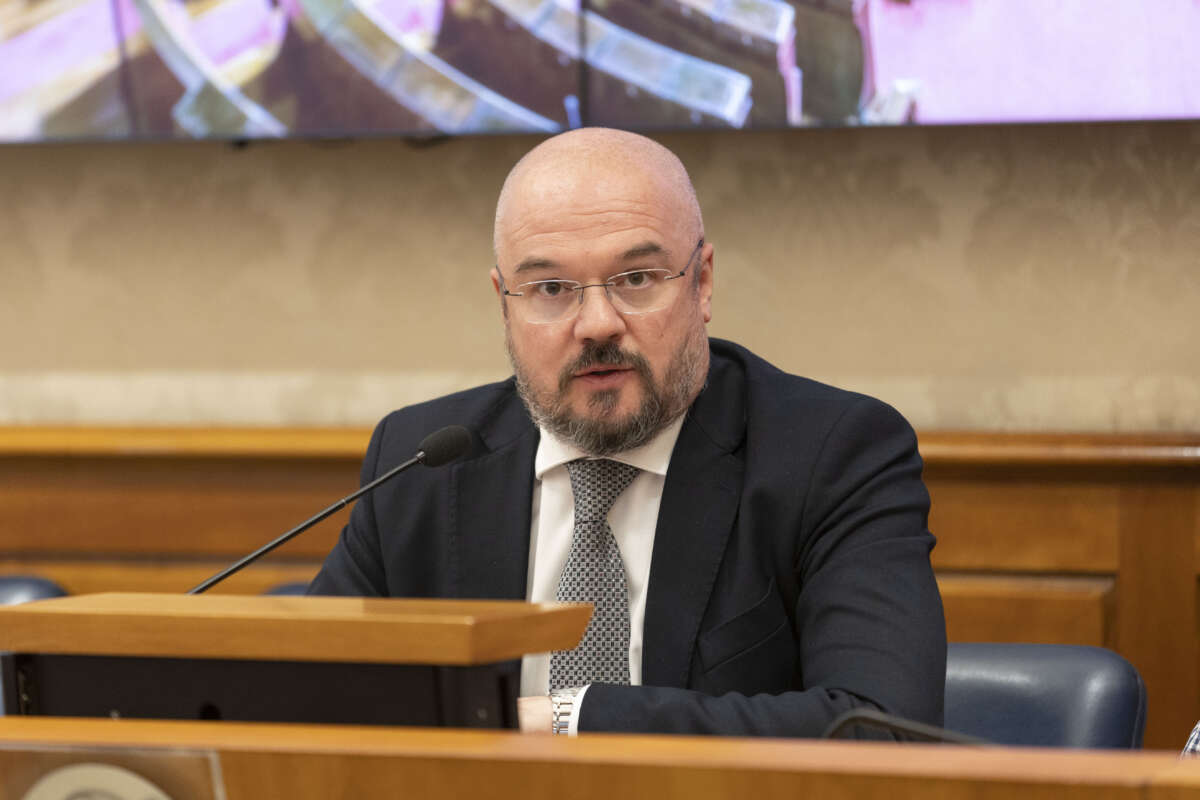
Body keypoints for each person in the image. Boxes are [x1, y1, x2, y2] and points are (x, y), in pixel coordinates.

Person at [309, 127, 946, 737]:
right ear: (503, 303)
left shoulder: (833, 456)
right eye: (550, 288)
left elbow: (882, 729)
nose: (596, 324)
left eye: (636, 279)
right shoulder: (421, 463)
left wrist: (569, 719)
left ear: (702, 283)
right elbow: (301, 694)